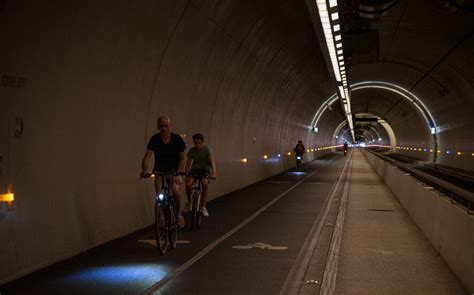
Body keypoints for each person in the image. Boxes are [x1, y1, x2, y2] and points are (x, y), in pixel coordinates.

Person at [141, 116, 187, 228]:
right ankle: (163, 214)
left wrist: (177, 173)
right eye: (161, 126)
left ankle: (178, 215)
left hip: (173, 171)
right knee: (159, 194)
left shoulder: (177, 139)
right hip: (159, 171)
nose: (163, 128)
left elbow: (183, 158)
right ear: (157, 127)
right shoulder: (155, 139)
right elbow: (147, 156)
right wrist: (144, 170)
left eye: (165, 126)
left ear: (170, 126)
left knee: (175, 190)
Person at [185, 133, 217, 217]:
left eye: (199, 143)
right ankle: (189, 202)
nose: (197, 145)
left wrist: (214, 172)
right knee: (188, 184)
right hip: (195, 169)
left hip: (205, 169)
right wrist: (187, 174)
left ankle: (203, 207)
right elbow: (188, 164)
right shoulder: (192, 150)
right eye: (196, 143)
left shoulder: (207, 149)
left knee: (204, 183)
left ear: (203, 142)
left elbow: (212, 161)